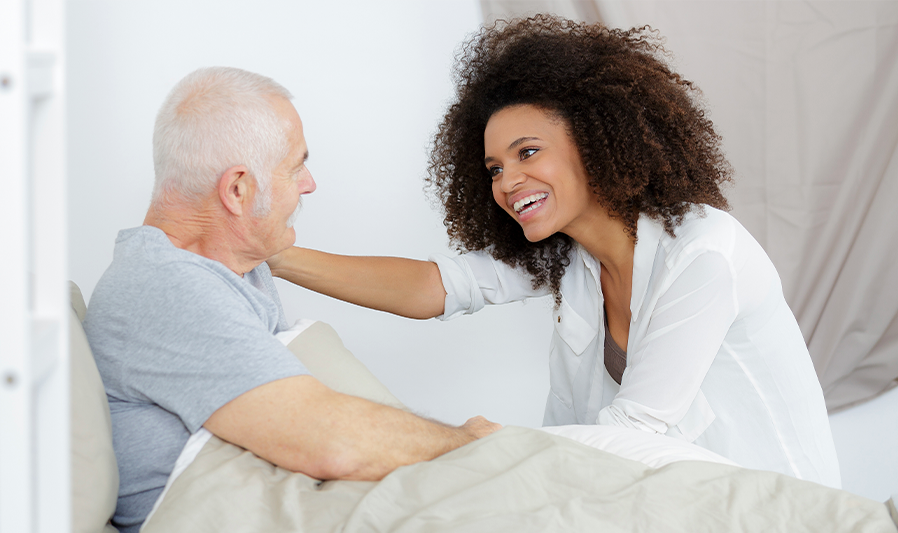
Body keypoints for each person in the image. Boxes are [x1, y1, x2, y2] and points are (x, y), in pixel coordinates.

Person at [268, 17, 841, 487]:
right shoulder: (569, 252)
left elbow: (636, 429)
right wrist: (272, 254)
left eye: (528, 151)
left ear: (596, 139)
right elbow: (438, 287)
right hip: (675, 500)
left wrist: (483, 447)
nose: (508, 181)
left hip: (777, 509)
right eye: (495, 167)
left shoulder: (703, 255)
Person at [83, 67, 500, 533]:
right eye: (296, 165)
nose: (310, 184)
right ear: (238, 190)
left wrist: (262, 247)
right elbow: (330, 440)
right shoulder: (167, 286)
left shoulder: (224, 268)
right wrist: (465, 441)